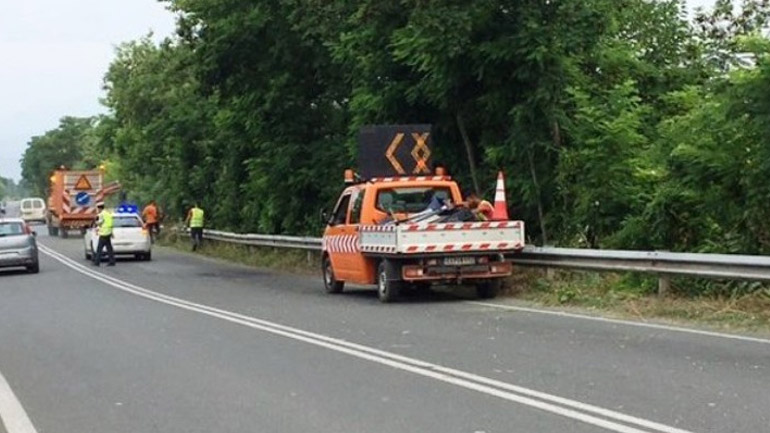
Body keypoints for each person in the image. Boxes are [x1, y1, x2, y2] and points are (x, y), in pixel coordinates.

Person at [93, 202, 116, 267]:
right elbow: (110, 223)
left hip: (103, 233)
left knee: (99, 248)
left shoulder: (101, 214)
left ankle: (97, 262)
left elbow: (100, 222)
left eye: (98, 209)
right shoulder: (108, 213)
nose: (97, 210)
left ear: (99, 208)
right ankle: (112, 261)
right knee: (109, 248)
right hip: (108, 232)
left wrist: (96, 222)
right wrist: (111, 232)